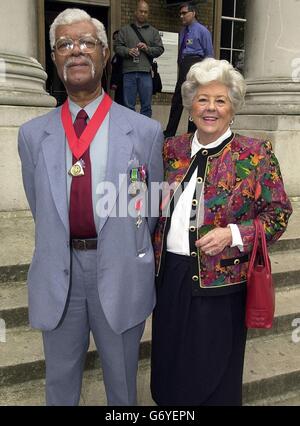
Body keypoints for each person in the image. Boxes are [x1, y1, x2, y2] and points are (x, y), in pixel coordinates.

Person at [18, 8, 163, 406]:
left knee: (122, 385)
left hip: (119, 271)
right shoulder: (32, 135)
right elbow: (40, 205)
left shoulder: (146, 132)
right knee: (59, 383)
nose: (76, 51)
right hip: (60, 272)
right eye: (64, 44)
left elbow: (148, 208)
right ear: (54, 58)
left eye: (86, 43)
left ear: (104, 54)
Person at [151, 58, 293, 406]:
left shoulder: (255, 154)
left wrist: (233, 233)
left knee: (213, 373)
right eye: (202, 99)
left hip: (222, 285)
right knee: (168, 365)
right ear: (190, 104)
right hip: (170, 277)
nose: (210, 108)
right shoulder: (173, 149)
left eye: (220, 100)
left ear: (233, 108)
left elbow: (278, 213)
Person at [164, 2, 214, 138]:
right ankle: (169, 132)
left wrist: (206, 75)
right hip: (184, 65)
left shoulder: (203, 31)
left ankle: (192, 133)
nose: (181, 16)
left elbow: (209, 55)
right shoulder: (183, 31)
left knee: (194, 100)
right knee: (177, 99)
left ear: (193, 13)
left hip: (196, 65)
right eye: (180, 13)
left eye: (184, 13)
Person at [114, 0, 164, 118]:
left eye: (146, 12)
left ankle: (145, 133)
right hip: (128, 72)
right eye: (141, 11)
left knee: (146, 106)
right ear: (135, 12)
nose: (143, 14)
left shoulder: (153, 31)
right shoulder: (125, 30)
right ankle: (130, 132)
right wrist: (128, 51)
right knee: (128, 106)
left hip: (146, 72)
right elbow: (116, 47)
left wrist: (147, 48)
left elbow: (160, 49)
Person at [110, 30, 124, 105]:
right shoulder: (117, 54)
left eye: (117, 39)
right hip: (118, 86)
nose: (115, 41)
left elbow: (120, 69)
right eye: (114, 39)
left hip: (122, 84)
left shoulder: (123, 54)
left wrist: (115, 83)